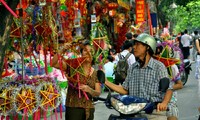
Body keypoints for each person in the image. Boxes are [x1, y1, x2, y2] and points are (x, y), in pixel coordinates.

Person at [105, 33, 173, 119]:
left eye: (138, 45)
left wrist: (164, 103)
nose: (134, 47)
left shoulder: (159, 67)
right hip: (134, 112)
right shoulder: (133, 68)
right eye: (134, 45)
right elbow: (125, 90)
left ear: (147, 47)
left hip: (154, 113)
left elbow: (169, 89)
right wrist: (106, 81)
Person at [51, 40, 101, 120]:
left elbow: (98, 93)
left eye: (90, 51)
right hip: (73, 108)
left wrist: (89, 90)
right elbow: (53, 63)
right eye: (85, 50)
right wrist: (62, 50)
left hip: (89, 110)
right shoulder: (73, 66)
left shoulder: (95, 73)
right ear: (81, 52)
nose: (88, 53)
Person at [155, 45, 183, 120]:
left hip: (170, 101)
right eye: (155, 54)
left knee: (172, 116)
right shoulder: (152, 67)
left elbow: (180, 85)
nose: (157, 56)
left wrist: (167, 87)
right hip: (155, 100)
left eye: (158, 53)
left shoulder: (172, 67)